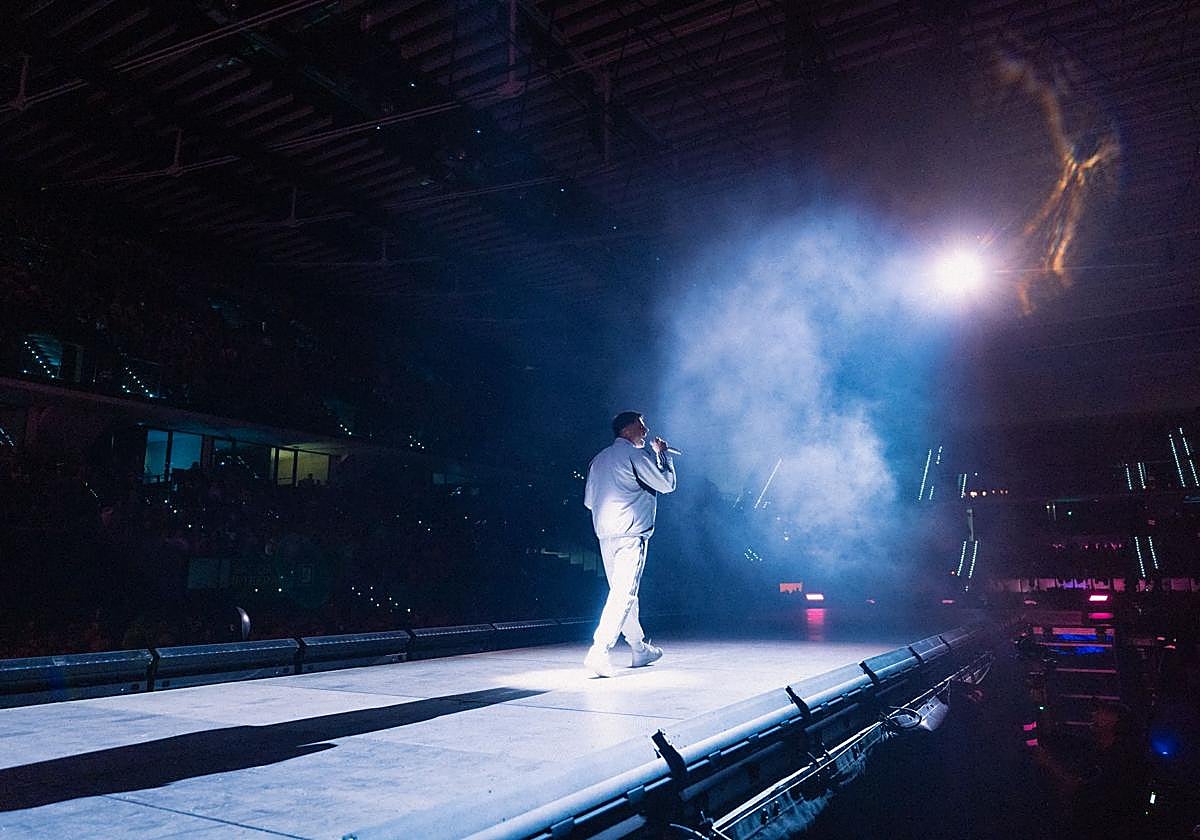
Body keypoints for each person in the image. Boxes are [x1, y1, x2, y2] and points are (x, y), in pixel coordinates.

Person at [582, 411, 677, 677]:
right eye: (642, 426)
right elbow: (666, 484)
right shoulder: (636, 455)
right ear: (626, 430)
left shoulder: (597, 460)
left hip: (605, 534)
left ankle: (638, 647)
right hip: (631, 533)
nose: (646, 432)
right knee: (624, 593)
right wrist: (663, 456)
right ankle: (599, 650)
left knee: (622, 593)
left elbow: (589, 501)